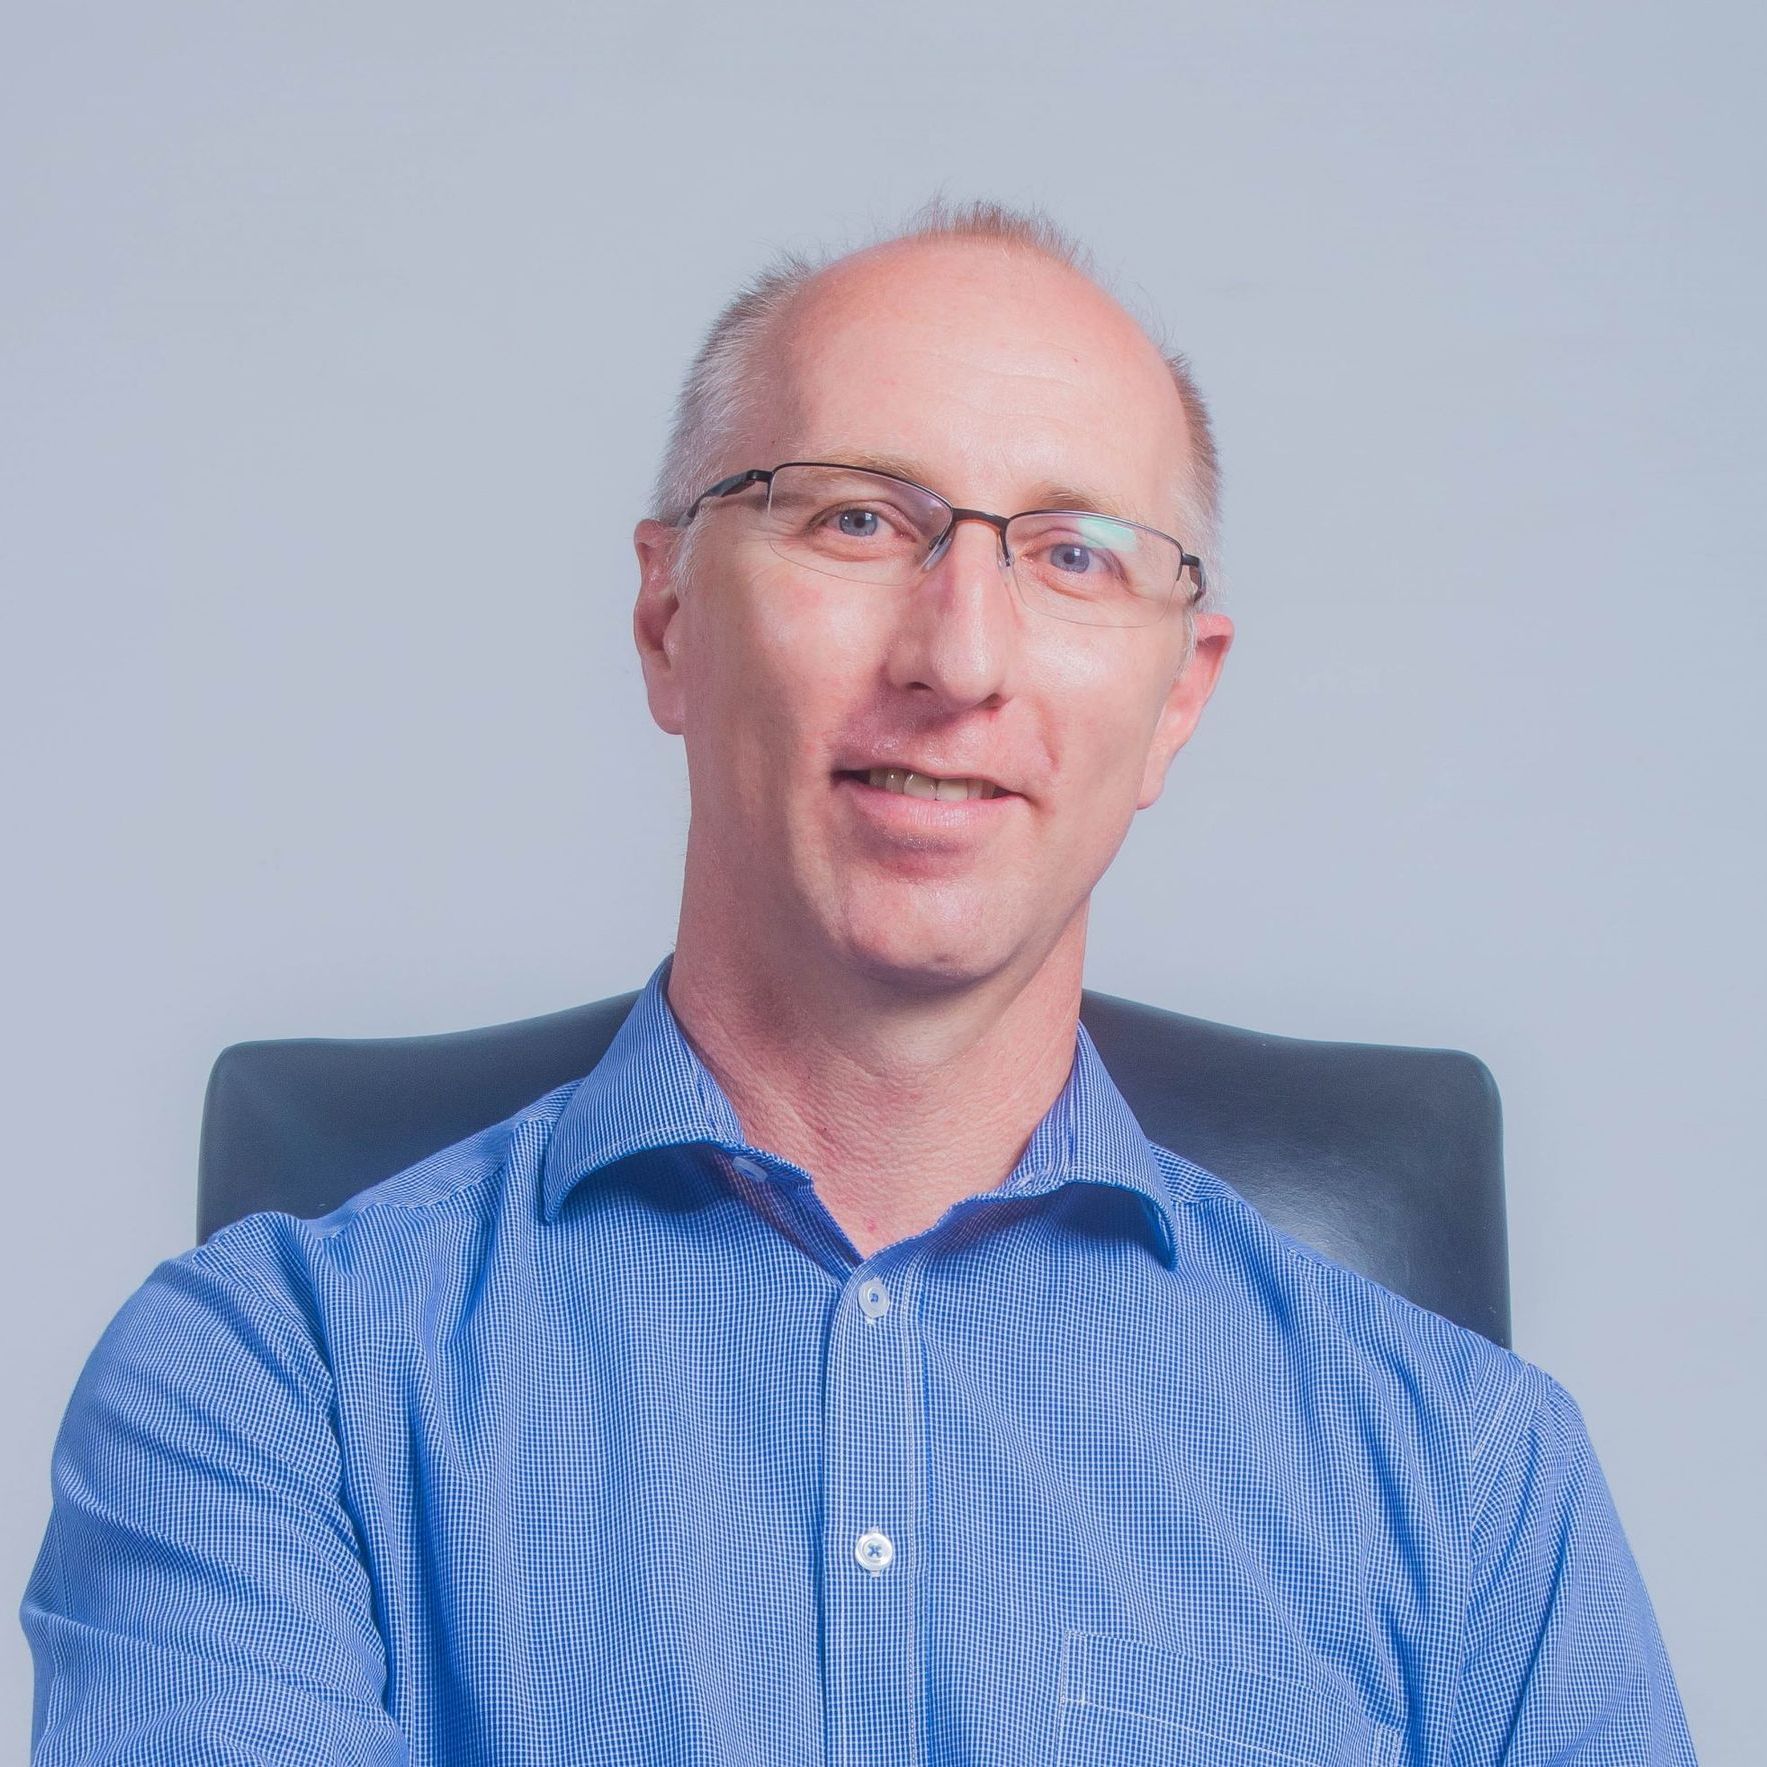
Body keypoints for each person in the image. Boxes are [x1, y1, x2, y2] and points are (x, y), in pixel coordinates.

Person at [21, 199, 1696, 1764]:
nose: (958, 659)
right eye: (855, 519)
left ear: (1180, 700)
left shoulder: (1478, 1480)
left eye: (1075, 555)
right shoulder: (267, 1382)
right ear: (671, 616)